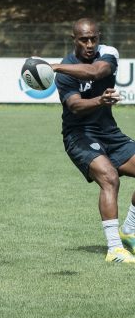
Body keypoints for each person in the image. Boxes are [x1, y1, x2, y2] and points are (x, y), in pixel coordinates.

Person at [52, 17, 135, 263]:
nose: (89, 44)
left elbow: (97, 71)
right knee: (109, 178)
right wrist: (99, 100)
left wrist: (54, 66)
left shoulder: (108, 53)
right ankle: (114, 250)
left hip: (109, 133)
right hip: (78, 136)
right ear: (73, 40)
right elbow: (75, 106)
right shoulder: (66, 70)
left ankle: (129, 231)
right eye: (83, 39)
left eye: (93, 38)